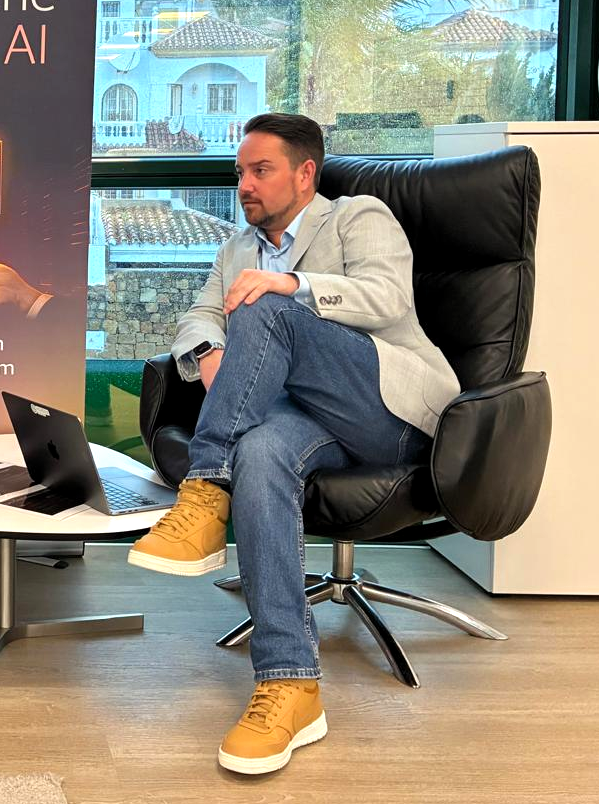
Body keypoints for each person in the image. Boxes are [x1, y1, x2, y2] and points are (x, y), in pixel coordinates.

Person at [127, 113, 458, 775]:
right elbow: (199, 314)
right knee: (260, 450)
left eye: (261, 170)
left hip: (387, 408)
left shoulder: (357, 217)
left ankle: (203, 491)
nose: (244, 185)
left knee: (266, 308)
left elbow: (388, 298)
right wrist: (211, 352)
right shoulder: (236, 248)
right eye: (240, 173)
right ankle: (290, 682)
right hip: (303, 420)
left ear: (306, 173)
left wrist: (290, 286)